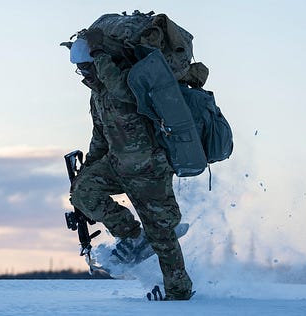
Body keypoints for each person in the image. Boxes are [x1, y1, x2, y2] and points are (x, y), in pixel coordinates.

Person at [68, 28, 193, 300]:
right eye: (80, 70)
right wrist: (86, 169)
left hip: (150, 168)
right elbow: (100, 138)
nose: (84, 74)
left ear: (98, 62)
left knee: (162, 235)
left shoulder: (129, 79)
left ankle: (179, 293)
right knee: (82, 192)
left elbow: (124, 90)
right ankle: (132, 236)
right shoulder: (98, 95)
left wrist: (101, 54)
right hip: (118, 165)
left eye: (86, 67)